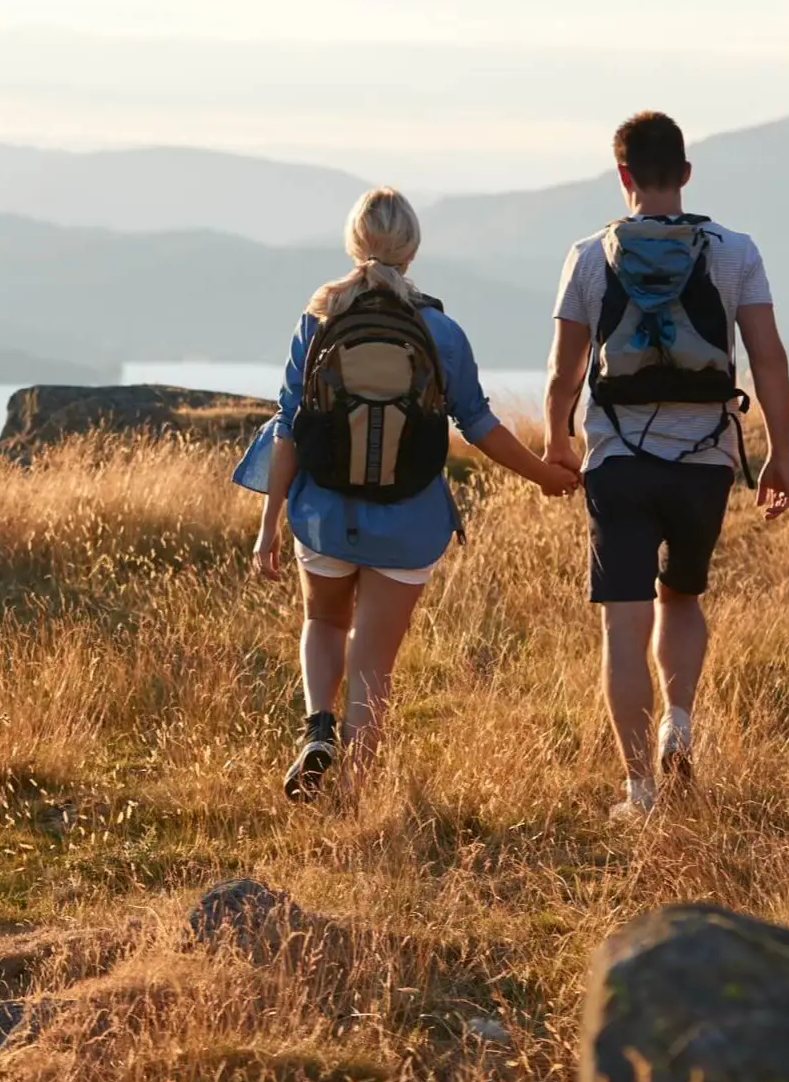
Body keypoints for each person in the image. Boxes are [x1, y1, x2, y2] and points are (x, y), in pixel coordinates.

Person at [236, 185, 578, 802]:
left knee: (321, 619)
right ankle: (356, 791)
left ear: (354, 243)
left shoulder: (316, 321)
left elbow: (287, 427)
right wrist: (547, 476)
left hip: (323, 515)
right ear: (412, 250)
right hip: (409, 521)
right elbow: (479, 425)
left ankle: (319, 728)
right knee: (374, 663)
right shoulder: (440, 330)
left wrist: (268, 526)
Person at [543, 111, 789, 821]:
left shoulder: (589, 256)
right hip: (706, 461)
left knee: (624, 623)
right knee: (680, 597)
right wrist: (777, 453)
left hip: (618, 460)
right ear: (685, 174)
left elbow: (565, 374)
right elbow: (768, 357)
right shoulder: (734, 251)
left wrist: (560, 444)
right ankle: (676, 724)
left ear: (622, 175)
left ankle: (640, 793)